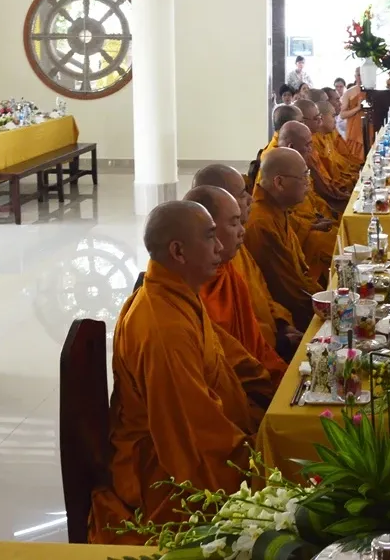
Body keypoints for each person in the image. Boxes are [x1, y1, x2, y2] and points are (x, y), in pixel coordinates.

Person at [88, 202, 278, 543]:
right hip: (168, 475)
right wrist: (260, 464)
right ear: (178, 251)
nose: (220, 246)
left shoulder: (176, 295)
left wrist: (277, 388)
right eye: (209, 237)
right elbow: (191, 436)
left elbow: (233, 358)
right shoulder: (164, 328)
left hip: (213, 435)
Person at [192, 164, 301, 359]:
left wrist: (282, 324)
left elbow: (263, 293)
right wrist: (279, 342)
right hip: (259, 356)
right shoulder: (201, 272)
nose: (250, 199)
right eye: (243, 194)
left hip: (271, 339)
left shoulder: (234, 246)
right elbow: (228, 350)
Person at [185, 185, 288, 378]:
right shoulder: (185, 301)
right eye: (234, 224)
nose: (243, 231)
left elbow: (254, 341)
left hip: (257, 372)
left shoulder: (226, 269)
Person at [244, 147, 323, 332]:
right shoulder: (261, 223)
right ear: (279, 183)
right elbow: (286, 293)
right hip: (287, 320)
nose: (308, 182)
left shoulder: (277, 209)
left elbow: (298, 270)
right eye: (304, 176)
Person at [277, 120, 338, 285]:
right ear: (291, 146)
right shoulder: (279, 167)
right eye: (308, 145)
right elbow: (285, 219)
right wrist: (311, 225)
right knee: (336, 244)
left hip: (313, 220)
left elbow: (310, 197)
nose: (311, 150)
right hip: (306, 234)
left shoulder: (295, 163)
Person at [340, 67, 366, 163]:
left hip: (370, 129)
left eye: (364, 74)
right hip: (354, 133)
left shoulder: (374, 91)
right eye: (359, 75)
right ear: (355, 76)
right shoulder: (349, 92)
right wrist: (357, 108)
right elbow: (342, 115)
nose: (361, 77)